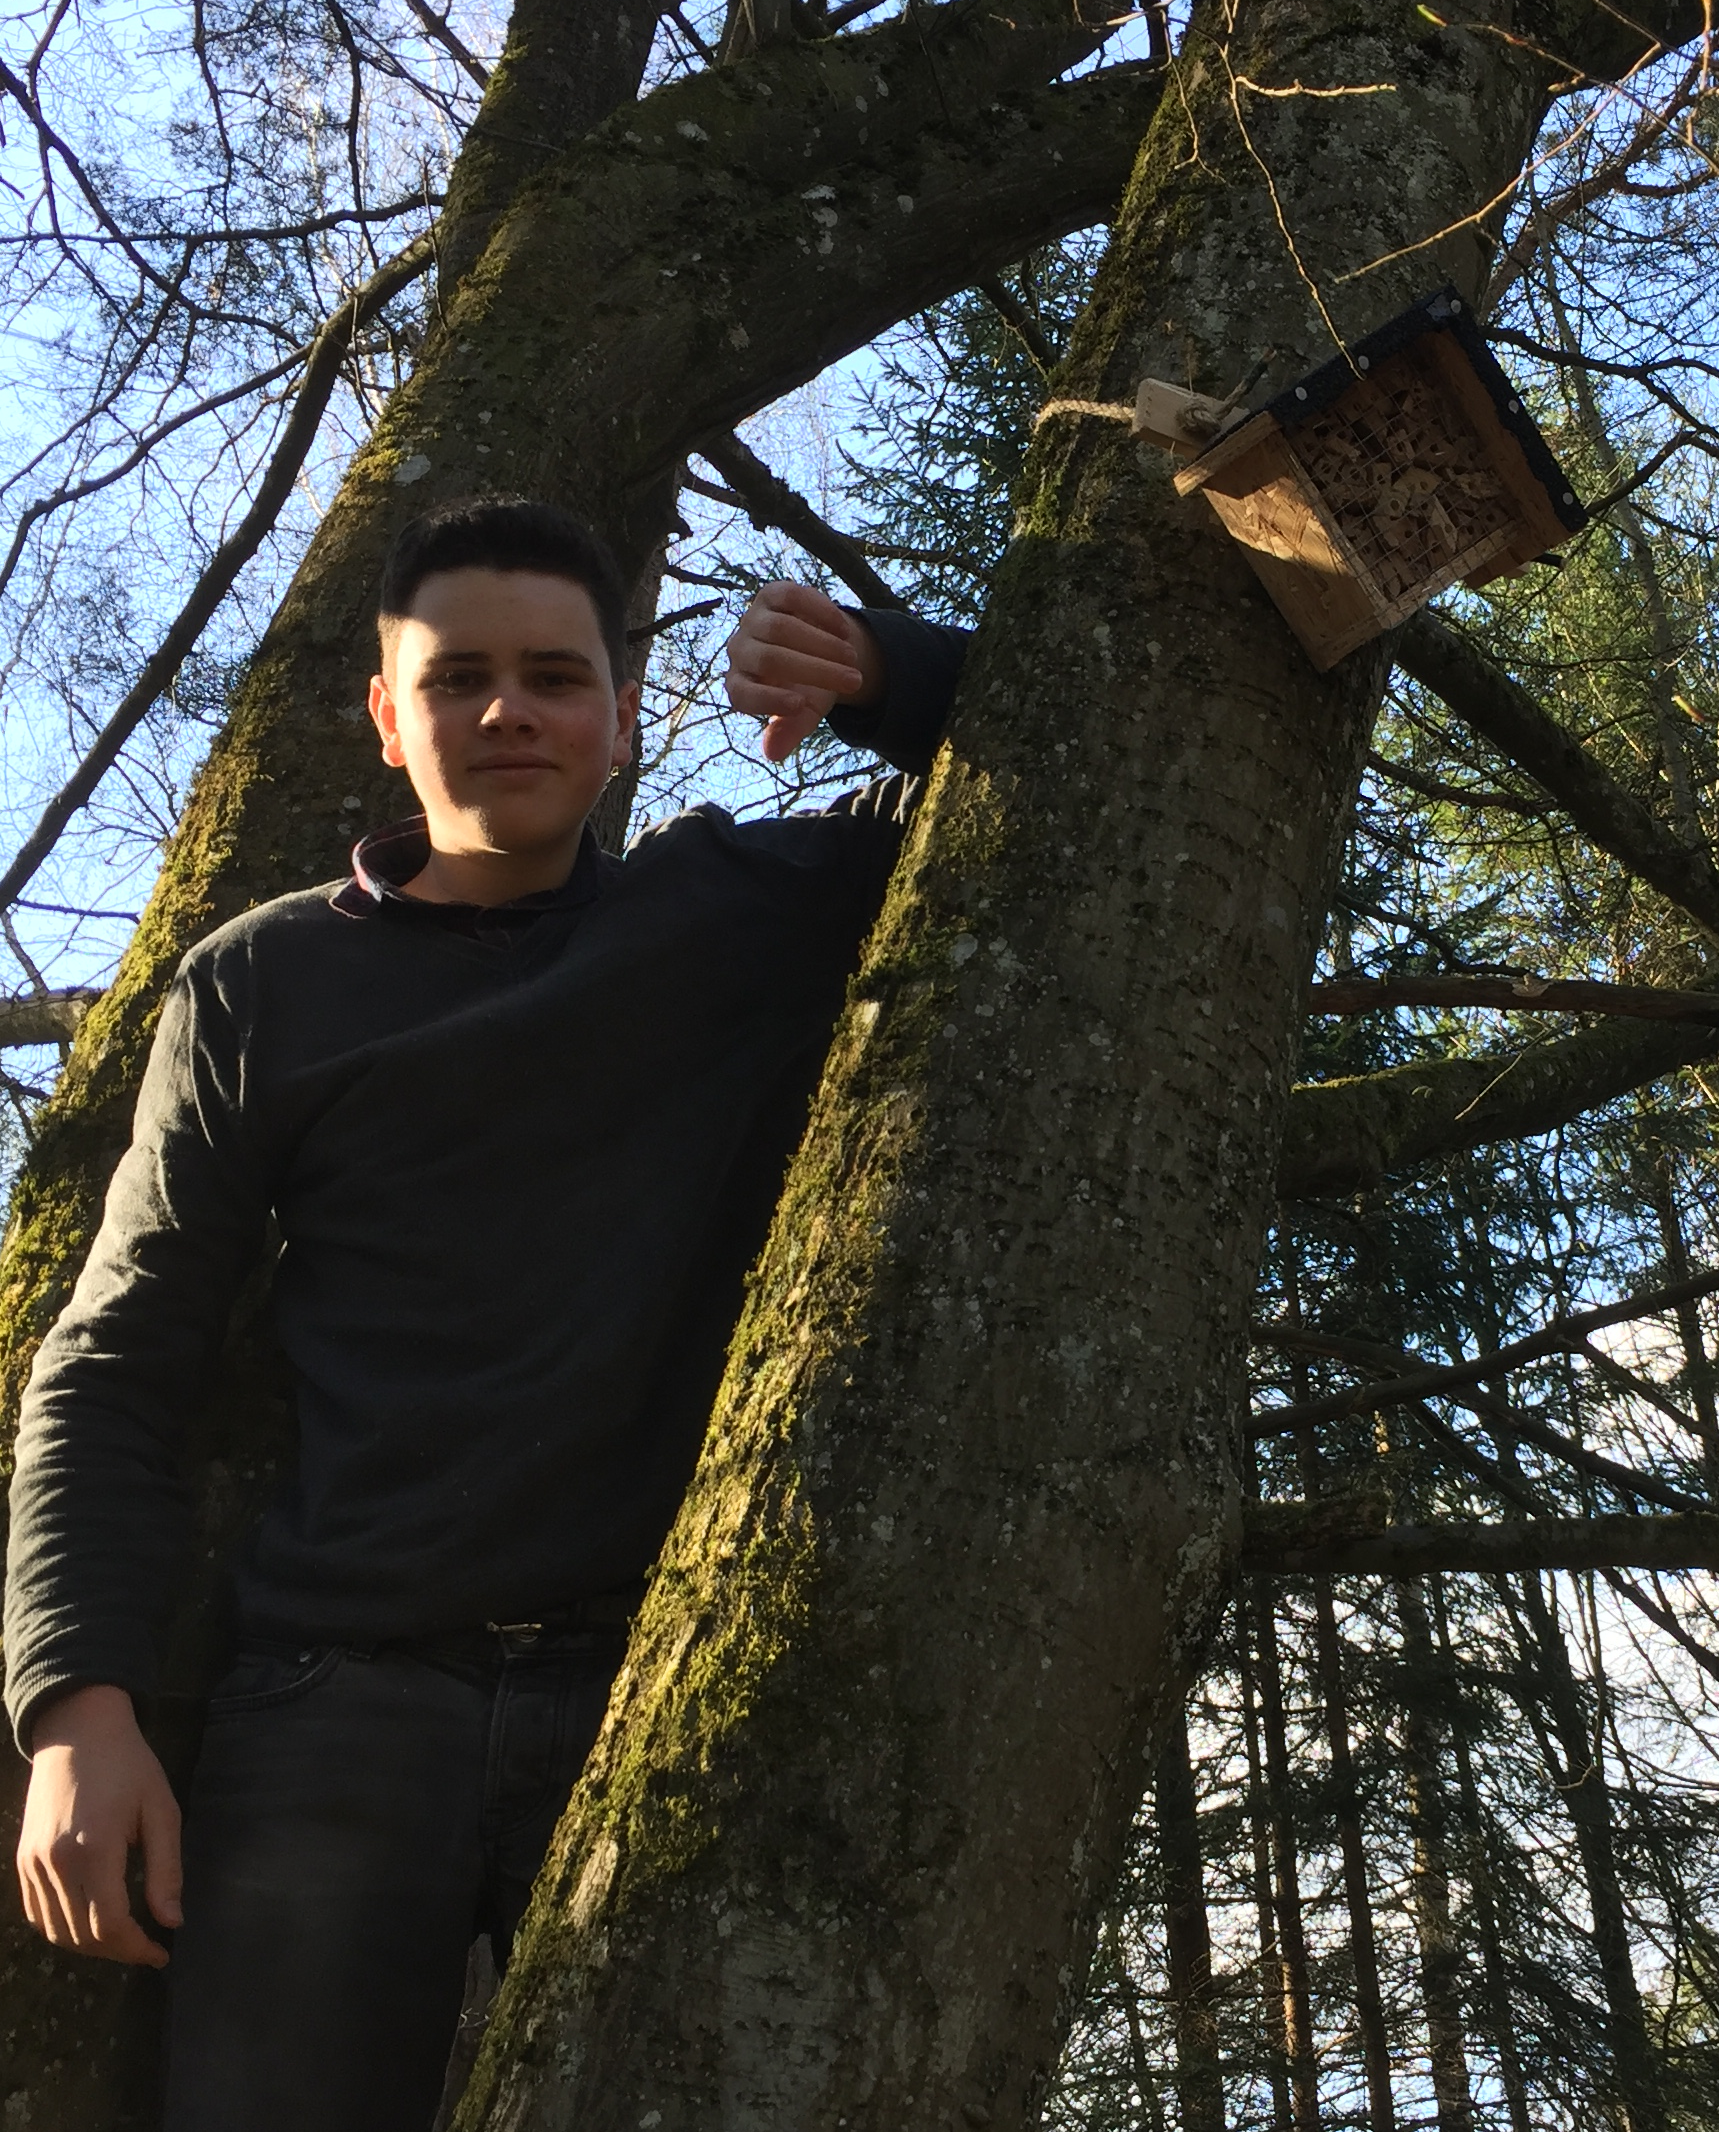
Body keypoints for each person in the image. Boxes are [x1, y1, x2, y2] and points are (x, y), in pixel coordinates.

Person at [3, 499, 966, 2131]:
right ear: (388, 717)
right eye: (457, 680)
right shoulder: (259, 983)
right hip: (332, 1701)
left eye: (552, 677)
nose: (506, 711)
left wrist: (886, 675)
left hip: (661, 1684)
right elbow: (119, 1350)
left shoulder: (735, 910)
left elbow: (1094, 744)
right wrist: (74, 1709)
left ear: (622, 715)